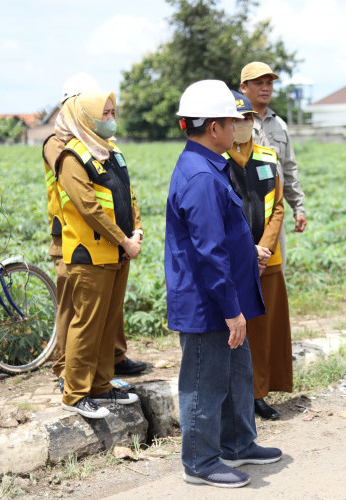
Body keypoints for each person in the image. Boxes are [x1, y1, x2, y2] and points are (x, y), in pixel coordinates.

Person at [165, 80, 282, 488]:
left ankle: (238, 443)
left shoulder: (209, 166)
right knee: (204, 382)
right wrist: (231, 309)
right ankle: (200, 461)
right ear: (213, 127)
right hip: (209, 303)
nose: (237, 129)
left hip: (224, 295)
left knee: (236, 373)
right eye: (232, 122)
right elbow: (209, 252)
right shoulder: (201, 176)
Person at [43, 74, 146, 392]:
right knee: (76, 309)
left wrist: (135, 230)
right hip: (72, 237)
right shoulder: (59, 145)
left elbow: (124, 192)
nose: (105, 115)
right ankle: (67, 370)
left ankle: (110, 362)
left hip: (109, 240)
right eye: (99, 108)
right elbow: (85, 201)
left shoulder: (102, 146)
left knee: (105, 309)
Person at [224, 90, 292, 421]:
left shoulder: (267, 158)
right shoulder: (218, 162)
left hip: (268, 259)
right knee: (237, 330)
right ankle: (236, 397)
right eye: (235, 120)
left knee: (264, 330)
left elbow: (277, 206)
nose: (241, 125)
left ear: (253, 122)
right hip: (235, 261)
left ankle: (259, 393)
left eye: (246, 119)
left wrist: (264, 247)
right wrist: (248, 251)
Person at [240, 62, 307, 271]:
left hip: (274, 214)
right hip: (244, 212)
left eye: (269, 83)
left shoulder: (280, 125)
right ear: (244, 87)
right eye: (259, 83)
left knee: (274, 272)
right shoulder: (235, 122)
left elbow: (289, 168)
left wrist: (298, 206)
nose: (266, 88)